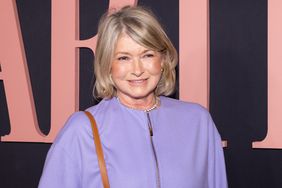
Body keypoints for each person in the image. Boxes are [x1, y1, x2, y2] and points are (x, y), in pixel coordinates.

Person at [39, 6, 228, 188]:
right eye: (124, 58)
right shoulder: (82, 130)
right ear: (108, 65)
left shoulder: (198, 122)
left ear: (162, 60)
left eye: (147, 55)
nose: (137, 70)